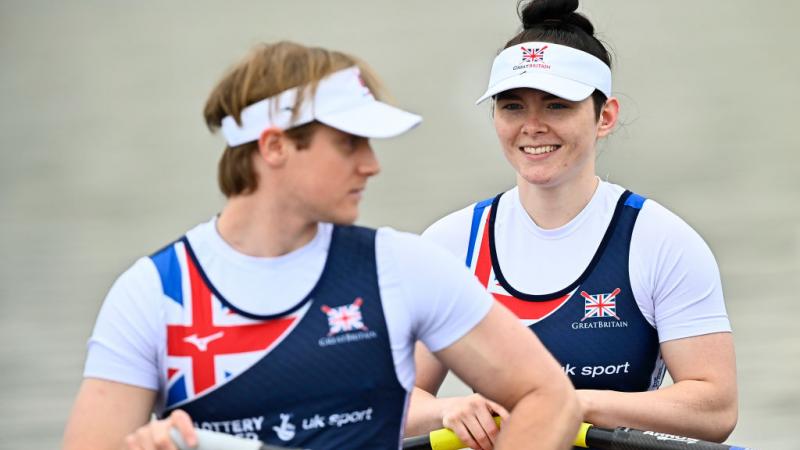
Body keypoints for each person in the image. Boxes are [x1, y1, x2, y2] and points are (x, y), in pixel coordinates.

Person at [61, 41, 580, 450]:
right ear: (275, 146)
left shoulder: (399, 267)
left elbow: (548, 397)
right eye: (350, 143)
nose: (371, 164)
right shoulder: (154, 295)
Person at [406, 1, 738, 449]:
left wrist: (569, 404)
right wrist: (448, 410)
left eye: (557, 106)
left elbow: (716, 407)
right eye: (513, 107)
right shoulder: (449, 244)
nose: (532, 126)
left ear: (606, 117)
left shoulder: (661, 241)